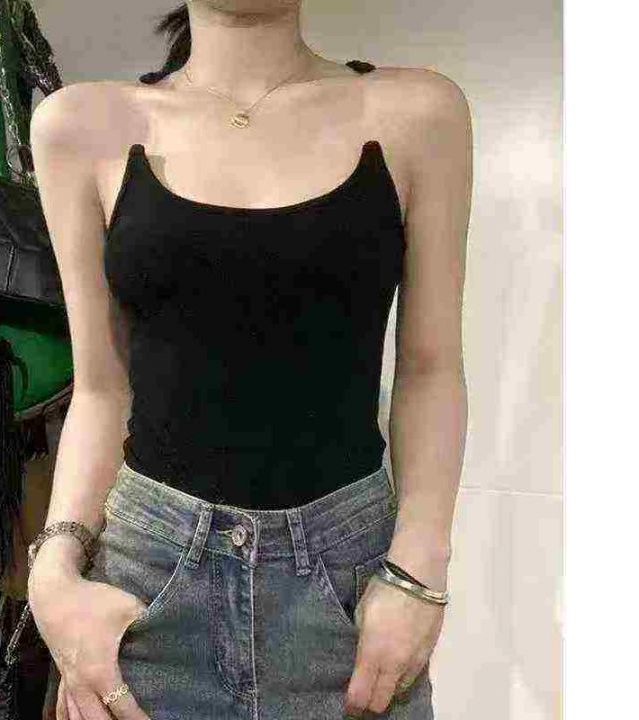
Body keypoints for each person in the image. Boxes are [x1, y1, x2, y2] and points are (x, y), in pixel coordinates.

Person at [27, 1, 472, 718]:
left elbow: (431, 369)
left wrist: (420, 569)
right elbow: (103, 388)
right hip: (142, 592)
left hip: (351, 595)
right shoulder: (80, 126)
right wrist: (53, 571)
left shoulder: (418, 113)